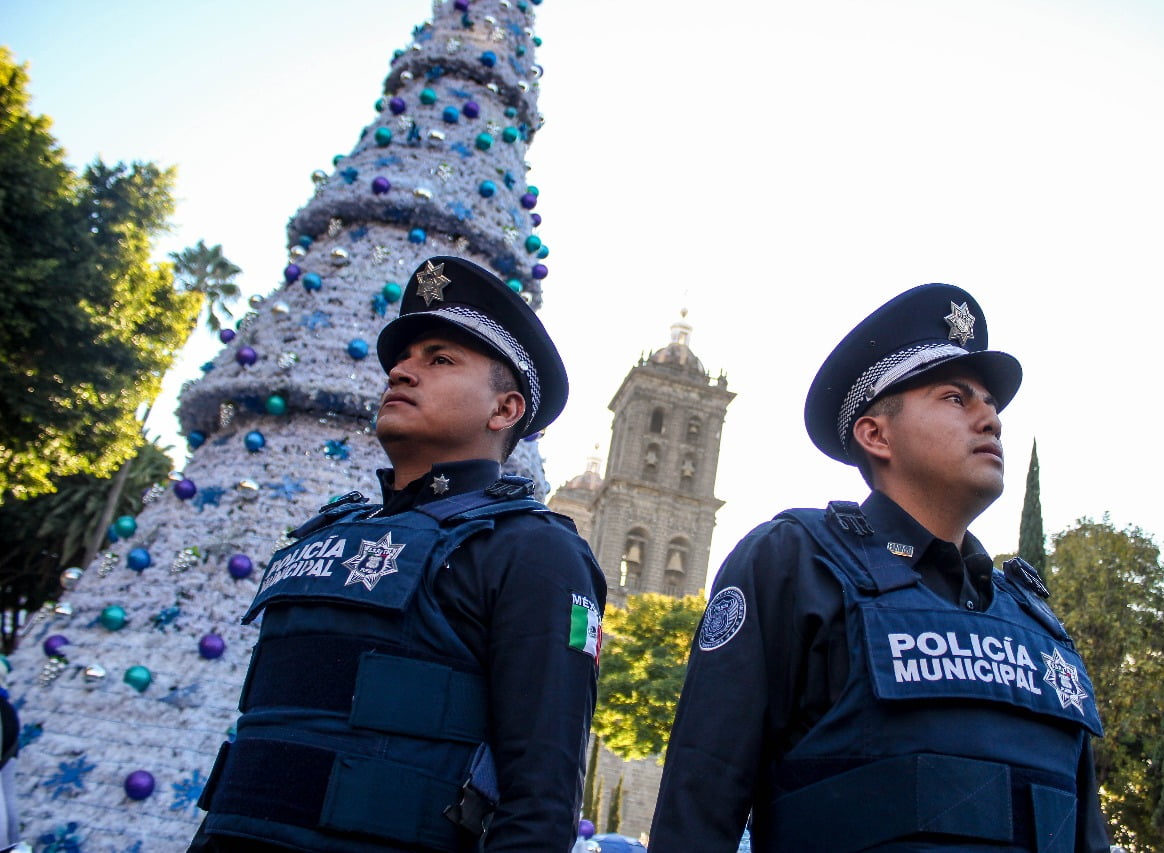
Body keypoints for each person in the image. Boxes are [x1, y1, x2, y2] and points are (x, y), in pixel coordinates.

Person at [649, 283, 1110, 852]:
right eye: (955, 398)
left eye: (990, 406)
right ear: (875, 434)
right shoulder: (795, 564)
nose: (991, 420)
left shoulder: (1036, 620)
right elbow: (698, 811)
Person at [191, 256, 607, 853]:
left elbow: (539, 802)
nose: (402, 372)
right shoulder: (326, 535)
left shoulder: (533, 550)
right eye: (402, 360)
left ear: (505, 409)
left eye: (439, 359)